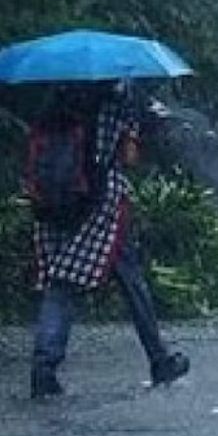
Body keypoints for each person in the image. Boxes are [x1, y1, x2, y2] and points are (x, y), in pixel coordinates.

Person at [29, 83, 189, 398]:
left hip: (54, 205)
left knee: (60, 283)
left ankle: (43, 369)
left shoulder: (55, 99)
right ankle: (159, 359)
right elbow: (133, 152)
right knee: (131, 280)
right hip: (102, 205)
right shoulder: (117, 99)